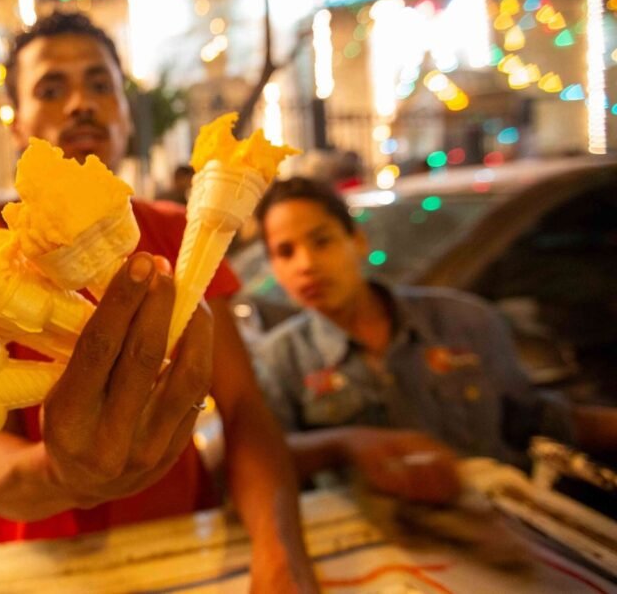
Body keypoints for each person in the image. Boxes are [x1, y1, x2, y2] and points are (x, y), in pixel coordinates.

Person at [0, 12, 318, 591]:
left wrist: (281, 554)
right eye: (51, 89)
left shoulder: (184, 234)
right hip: (35, 561)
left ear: (127, 114)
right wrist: (61, 472)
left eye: (101, 85)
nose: (81, 103)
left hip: (181, 545)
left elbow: (243, 409)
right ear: (17, 124)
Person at [252, 176, 617, 503]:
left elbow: (530, 416)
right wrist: (344, 444)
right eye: (285, 252)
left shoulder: (465, 322)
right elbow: (269, 460)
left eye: (322, 241)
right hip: (368, 547)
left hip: (489, 526)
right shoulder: (279, 359)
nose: (306, 264)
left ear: (357, 241)